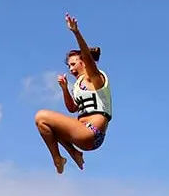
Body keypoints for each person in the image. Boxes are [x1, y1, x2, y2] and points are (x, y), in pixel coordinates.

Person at [34, 13, 113, 174]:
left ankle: (58, 157)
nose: (70, 69)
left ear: (83, 61)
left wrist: (76, 32)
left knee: (41, 116)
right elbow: (72, 108)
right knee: (46, 125)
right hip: (80, 133)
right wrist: (64, 89)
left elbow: (88, 58)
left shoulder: (95, 78)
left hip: (92, 132)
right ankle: (73, 153)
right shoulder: (78, 85)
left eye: (73, 64)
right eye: (68, 66)